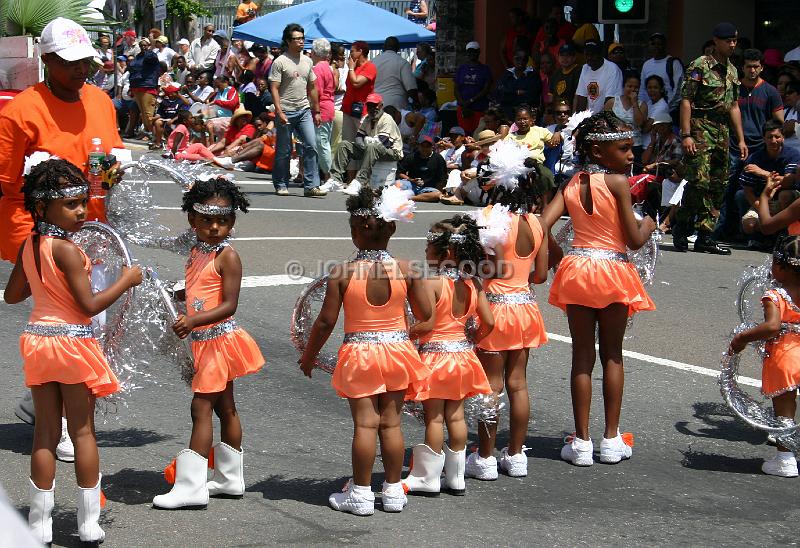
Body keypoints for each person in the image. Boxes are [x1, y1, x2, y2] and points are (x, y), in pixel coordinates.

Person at [4, 157, 142, 544]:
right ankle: (87, 523)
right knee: (82, 431)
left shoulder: (30, 245)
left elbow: (13, 295)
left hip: (37, 340)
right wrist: (127, 280)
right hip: (72, 343)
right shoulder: (67, 250)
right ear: (42, 206)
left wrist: (42, 281)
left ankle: (38, 524)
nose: (81, 210)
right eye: (70, 204)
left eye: (83, 201)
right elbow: (89, 306)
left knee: (45, 433)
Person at [299, 185, 432, 516]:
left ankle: (359, 494)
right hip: (398, 351)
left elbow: (326, 322)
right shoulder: (408, 269)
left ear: (354, 231)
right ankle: (392, 492)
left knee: (365, 425)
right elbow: (427, 317)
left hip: (360, 354)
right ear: (393, 227)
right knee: (391, 423)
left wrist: (309, 355)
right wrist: (400, 334)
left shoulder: (342, 272)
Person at [542, 112, 656, 466]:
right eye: (623, 149)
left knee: (581, 356)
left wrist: (560, 255)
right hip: (612, 270)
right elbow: (635, 241)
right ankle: (610, 438)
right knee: (612, 355)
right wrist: (651, 221)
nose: (631, 155)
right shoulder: (620, 183)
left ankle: (581, 443)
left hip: (577, 268)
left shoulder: (571, 183)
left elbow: (540, 224)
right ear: (598, 151)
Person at [153, 177, 264, 510]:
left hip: (218, 341)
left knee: (200, 407)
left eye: (224, 221)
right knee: (224, 406)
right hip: (205, 341)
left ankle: (191, 486)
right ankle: (231, 479)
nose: (216, 227)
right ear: (192, 219)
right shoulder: (197, 251)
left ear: (232, 222)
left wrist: (192, 320)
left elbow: (229, 304)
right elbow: (200, 291)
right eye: (207, 220)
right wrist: (177, 298)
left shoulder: (228, 256)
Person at [0, 17, 125, 261]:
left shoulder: (101, 101)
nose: (81, 69)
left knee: (91, 299)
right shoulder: (20, 112)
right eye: (70, 62)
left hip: (92, 229)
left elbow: (115, 153)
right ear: (46, 59)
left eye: (85, 61)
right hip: (38, 233)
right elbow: (7, 182)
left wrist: (115, 169)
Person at [465, 151, 549, 480]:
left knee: (491, 385)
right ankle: (516, 454)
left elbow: (475, 267)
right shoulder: (537, 223)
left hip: (495, 307)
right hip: (525, 307)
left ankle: (485, 457)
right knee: (519, 383)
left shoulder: (485, 218)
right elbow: (540, 275)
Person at [403, 216, 494, 496]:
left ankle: (428, 477)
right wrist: (471, 340)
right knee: (456, 416)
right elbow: (489, 322)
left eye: (429, 246)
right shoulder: (473, 284)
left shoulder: (431, 283)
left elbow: (428, 325)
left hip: (435, 358)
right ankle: (456, 478)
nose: (425, 251)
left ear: (445, 253)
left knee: (434, 418)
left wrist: (406, 333)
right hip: (463, 357)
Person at [675, 22, 749, 254]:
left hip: (721, 131)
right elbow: (686, 100)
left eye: (735, 40)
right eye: (728, 41)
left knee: (718, 184)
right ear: (716, 41)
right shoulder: (701, 65)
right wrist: (685, 135)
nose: (732, 45)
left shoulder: (733, 70)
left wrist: (741, 139)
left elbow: (734, 106)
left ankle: (706, 235)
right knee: (698, 181)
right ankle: (682, 226)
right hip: (699, 127)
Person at [729, 235, 800, 477]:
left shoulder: (775, 295)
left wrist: (742, 337)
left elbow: (772, 326)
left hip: (785, 358)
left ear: (780, 267)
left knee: (785, 411)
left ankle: (785, 460)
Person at [716, 48, 785, 242]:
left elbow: (777, 122)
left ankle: (750, 232)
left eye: (756, 67)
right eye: (748, 67)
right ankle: (723, 231)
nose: (752, 70)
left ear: (761, 68)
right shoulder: (734, 89)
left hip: (759, 149)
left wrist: (770, 142)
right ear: (742, 68)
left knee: (752, 190)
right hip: (733, 146)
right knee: (727, 190)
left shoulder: (770, 91)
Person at [269, 23, 326, 197]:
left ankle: (311, 186)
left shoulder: (308, 60)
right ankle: (280, 183)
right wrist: (279, 111)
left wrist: (316, 111)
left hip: (303, 110)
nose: (301, 42)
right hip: (285, 110)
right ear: (288, 41)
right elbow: (274, 88)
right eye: (297, 39)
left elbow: (313, 87)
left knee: (311, 145)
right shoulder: (280, 62)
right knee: (284, 150)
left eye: (303, 38)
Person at [736, 120, 800, 247]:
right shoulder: (755, 158)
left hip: (785, 199)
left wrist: (762, 173)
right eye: (769, 137)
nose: (773, 140)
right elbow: (747, 189)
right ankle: (758, 237)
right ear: (763, 139)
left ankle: (783, 235)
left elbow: (787, 182)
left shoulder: (793, 155)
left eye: (777, 137)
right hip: (763, 200)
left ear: (783, 138)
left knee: (785, 195)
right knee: (747, 220)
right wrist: (759, 205)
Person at [325, 94, 403, 194]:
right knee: (344, 145)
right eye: (369, 105)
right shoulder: (367, 118)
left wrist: (366, 141)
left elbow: (383, 142)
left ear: (381, 105)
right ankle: (335, 180)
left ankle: (360, 182)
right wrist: (363, 144)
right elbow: (358, 136)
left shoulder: (386, 119)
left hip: (392, 152)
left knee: (372, 145)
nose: (372, 108)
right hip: (372, 148)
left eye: (375, 105)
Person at [504, 105, 556, 201]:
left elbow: (553, 142)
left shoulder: (539, 131)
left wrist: (558, 133)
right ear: (515, 121)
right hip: (517, 166)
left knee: (546, 175)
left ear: (531, 120)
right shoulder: (511, 137)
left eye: (525, 119)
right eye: (519, 119)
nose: (522, 122)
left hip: (536, 164)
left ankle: (546, 204)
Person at [341, 41, 377, 172]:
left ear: (360, 51)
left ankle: (362, 179)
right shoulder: (355, 66)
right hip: (348, 110)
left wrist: (350, 68)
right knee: (348, 144)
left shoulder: (370, 67)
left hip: (362, 111)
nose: (350, 54)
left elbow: (356, 83)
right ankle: (350, 179)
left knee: (362, 144)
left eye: (352, 51)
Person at [639, 32, 685, 121]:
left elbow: (679, 89)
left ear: (665, 45)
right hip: (649, 112)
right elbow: (642, 89)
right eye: (653, 44)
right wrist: (642, 109)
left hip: (669, 112)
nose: (656, 46)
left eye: (659, 44)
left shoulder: (674, 63)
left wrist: (666, 108)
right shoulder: (646, 64)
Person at [604, 73, 647, 161]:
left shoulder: (642, 105)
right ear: (624, 86)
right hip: (615, 143)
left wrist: (634, 103)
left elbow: (640, 123)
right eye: (629, 86)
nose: (632, 89)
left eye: (636, 87)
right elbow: (604, 122)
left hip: (635, 144)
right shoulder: (612, 102)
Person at [574, 40, 623, 114]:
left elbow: (610, 102)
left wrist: (599, 121)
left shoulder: (613, 69)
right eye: (587, 54)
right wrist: (578, 120)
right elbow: (581, 97)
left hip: (609, 118)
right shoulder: (585, 68)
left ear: (600, 54)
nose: (589, 57)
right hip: (590, 119)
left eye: (593, 54)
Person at [311, 38, 336, 182]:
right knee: (323, 142)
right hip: (328, 107)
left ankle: (328, 176)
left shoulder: (318, 68)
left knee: (321, 143)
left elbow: (316, 92)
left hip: (321, 108)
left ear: (315, 52)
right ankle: (325, 175)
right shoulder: (327, 66)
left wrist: (315, 111)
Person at [455, 42, 493, 135]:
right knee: (463, 135)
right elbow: (456, 89)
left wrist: (470, 101)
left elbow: (486, 89)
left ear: (479, 52)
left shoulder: (485, 69)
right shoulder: (461, 69)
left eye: (474, 51)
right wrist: (463, 104)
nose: (472, 54)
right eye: (469, 51)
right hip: (463, 109)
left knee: (478, 134)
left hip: (479, 108)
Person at [495, 49, 542, 122]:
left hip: (526, 116)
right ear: (513, 59)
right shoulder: (506, 75)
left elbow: (532, 97)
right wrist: (518, 92)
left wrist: (510, 94)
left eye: (524, 59)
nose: (521, 61)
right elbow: (500, 95)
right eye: (518, 58)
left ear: (527, 61)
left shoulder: (533, 76)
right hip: (507, 115)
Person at [372, 36, 417, 112]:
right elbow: (411, 87)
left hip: (375, 103)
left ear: (383, 47)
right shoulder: (402, 62)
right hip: (395, 105)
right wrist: (416, 103)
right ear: (398, 48)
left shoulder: (373, 62)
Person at [397, 136, 447, 202]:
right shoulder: (411, 156)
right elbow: (400, 173)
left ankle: (411, 198)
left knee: (437, 194)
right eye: (423, 146)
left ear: (432, 147)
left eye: (427, 146)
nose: (425, 149)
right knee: (396, 184)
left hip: (429, 187)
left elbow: (443, 177)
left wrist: (439, 190)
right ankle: (419, 197)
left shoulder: (438, 158)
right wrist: (411, 180)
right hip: (412, 184)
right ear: (418, 146)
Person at [129, 37, 161, 136]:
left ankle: (156, 135)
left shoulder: (151, 55)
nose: (143, 47)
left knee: (148, 114)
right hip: (137, 87)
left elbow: (151, 58)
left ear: (149, 46)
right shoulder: (138, 57)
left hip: (147, 88)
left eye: (145, 45)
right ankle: (149, 133)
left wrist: (151, 43)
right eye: (141, 45)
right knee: (143, 114)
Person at [151, 84, 190, 150]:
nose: (177, 93)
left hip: (177, 120)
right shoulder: (164, 101)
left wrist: (172, 120)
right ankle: (158, 143)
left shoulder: (180, 101)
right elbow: (160, 114)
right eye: (175, 92)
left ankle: (173, 144)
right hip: (166, 119)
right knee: (157, 122)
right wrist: (152, 118)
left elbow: (182, 113)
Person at [205, 75, 240, 143]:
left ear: (226, 82)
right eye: (216, 85)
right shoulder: (218, 93)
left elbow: (232, 104)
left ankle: (211, 148)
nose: (217, 87)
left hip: (229, 119)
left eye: (219, 85)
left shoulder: (231, 90)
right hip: (218, 119)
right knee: (201, 123)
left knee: (209, 125)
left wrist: (216, 102)